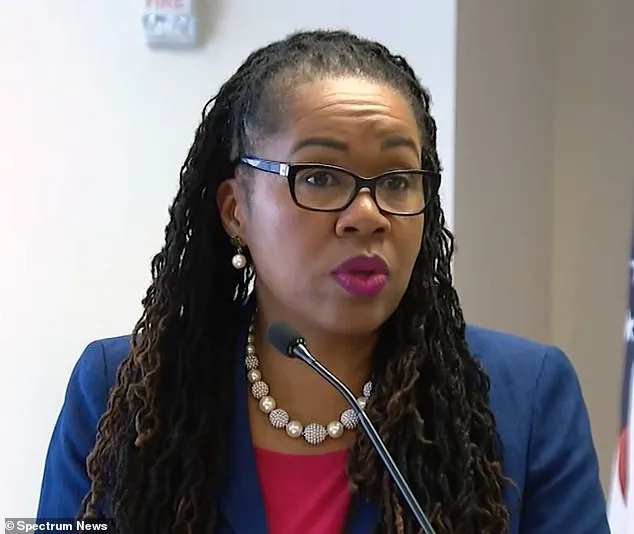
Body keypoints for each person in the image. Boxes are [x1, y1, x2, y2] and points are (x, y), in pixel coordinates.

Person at [36, 29, 609, 534]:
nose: (368, 215)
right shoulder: (123, 391)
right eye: (319, 177)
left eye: (397, 180)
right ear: (236, 211)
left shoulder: (527, 396)